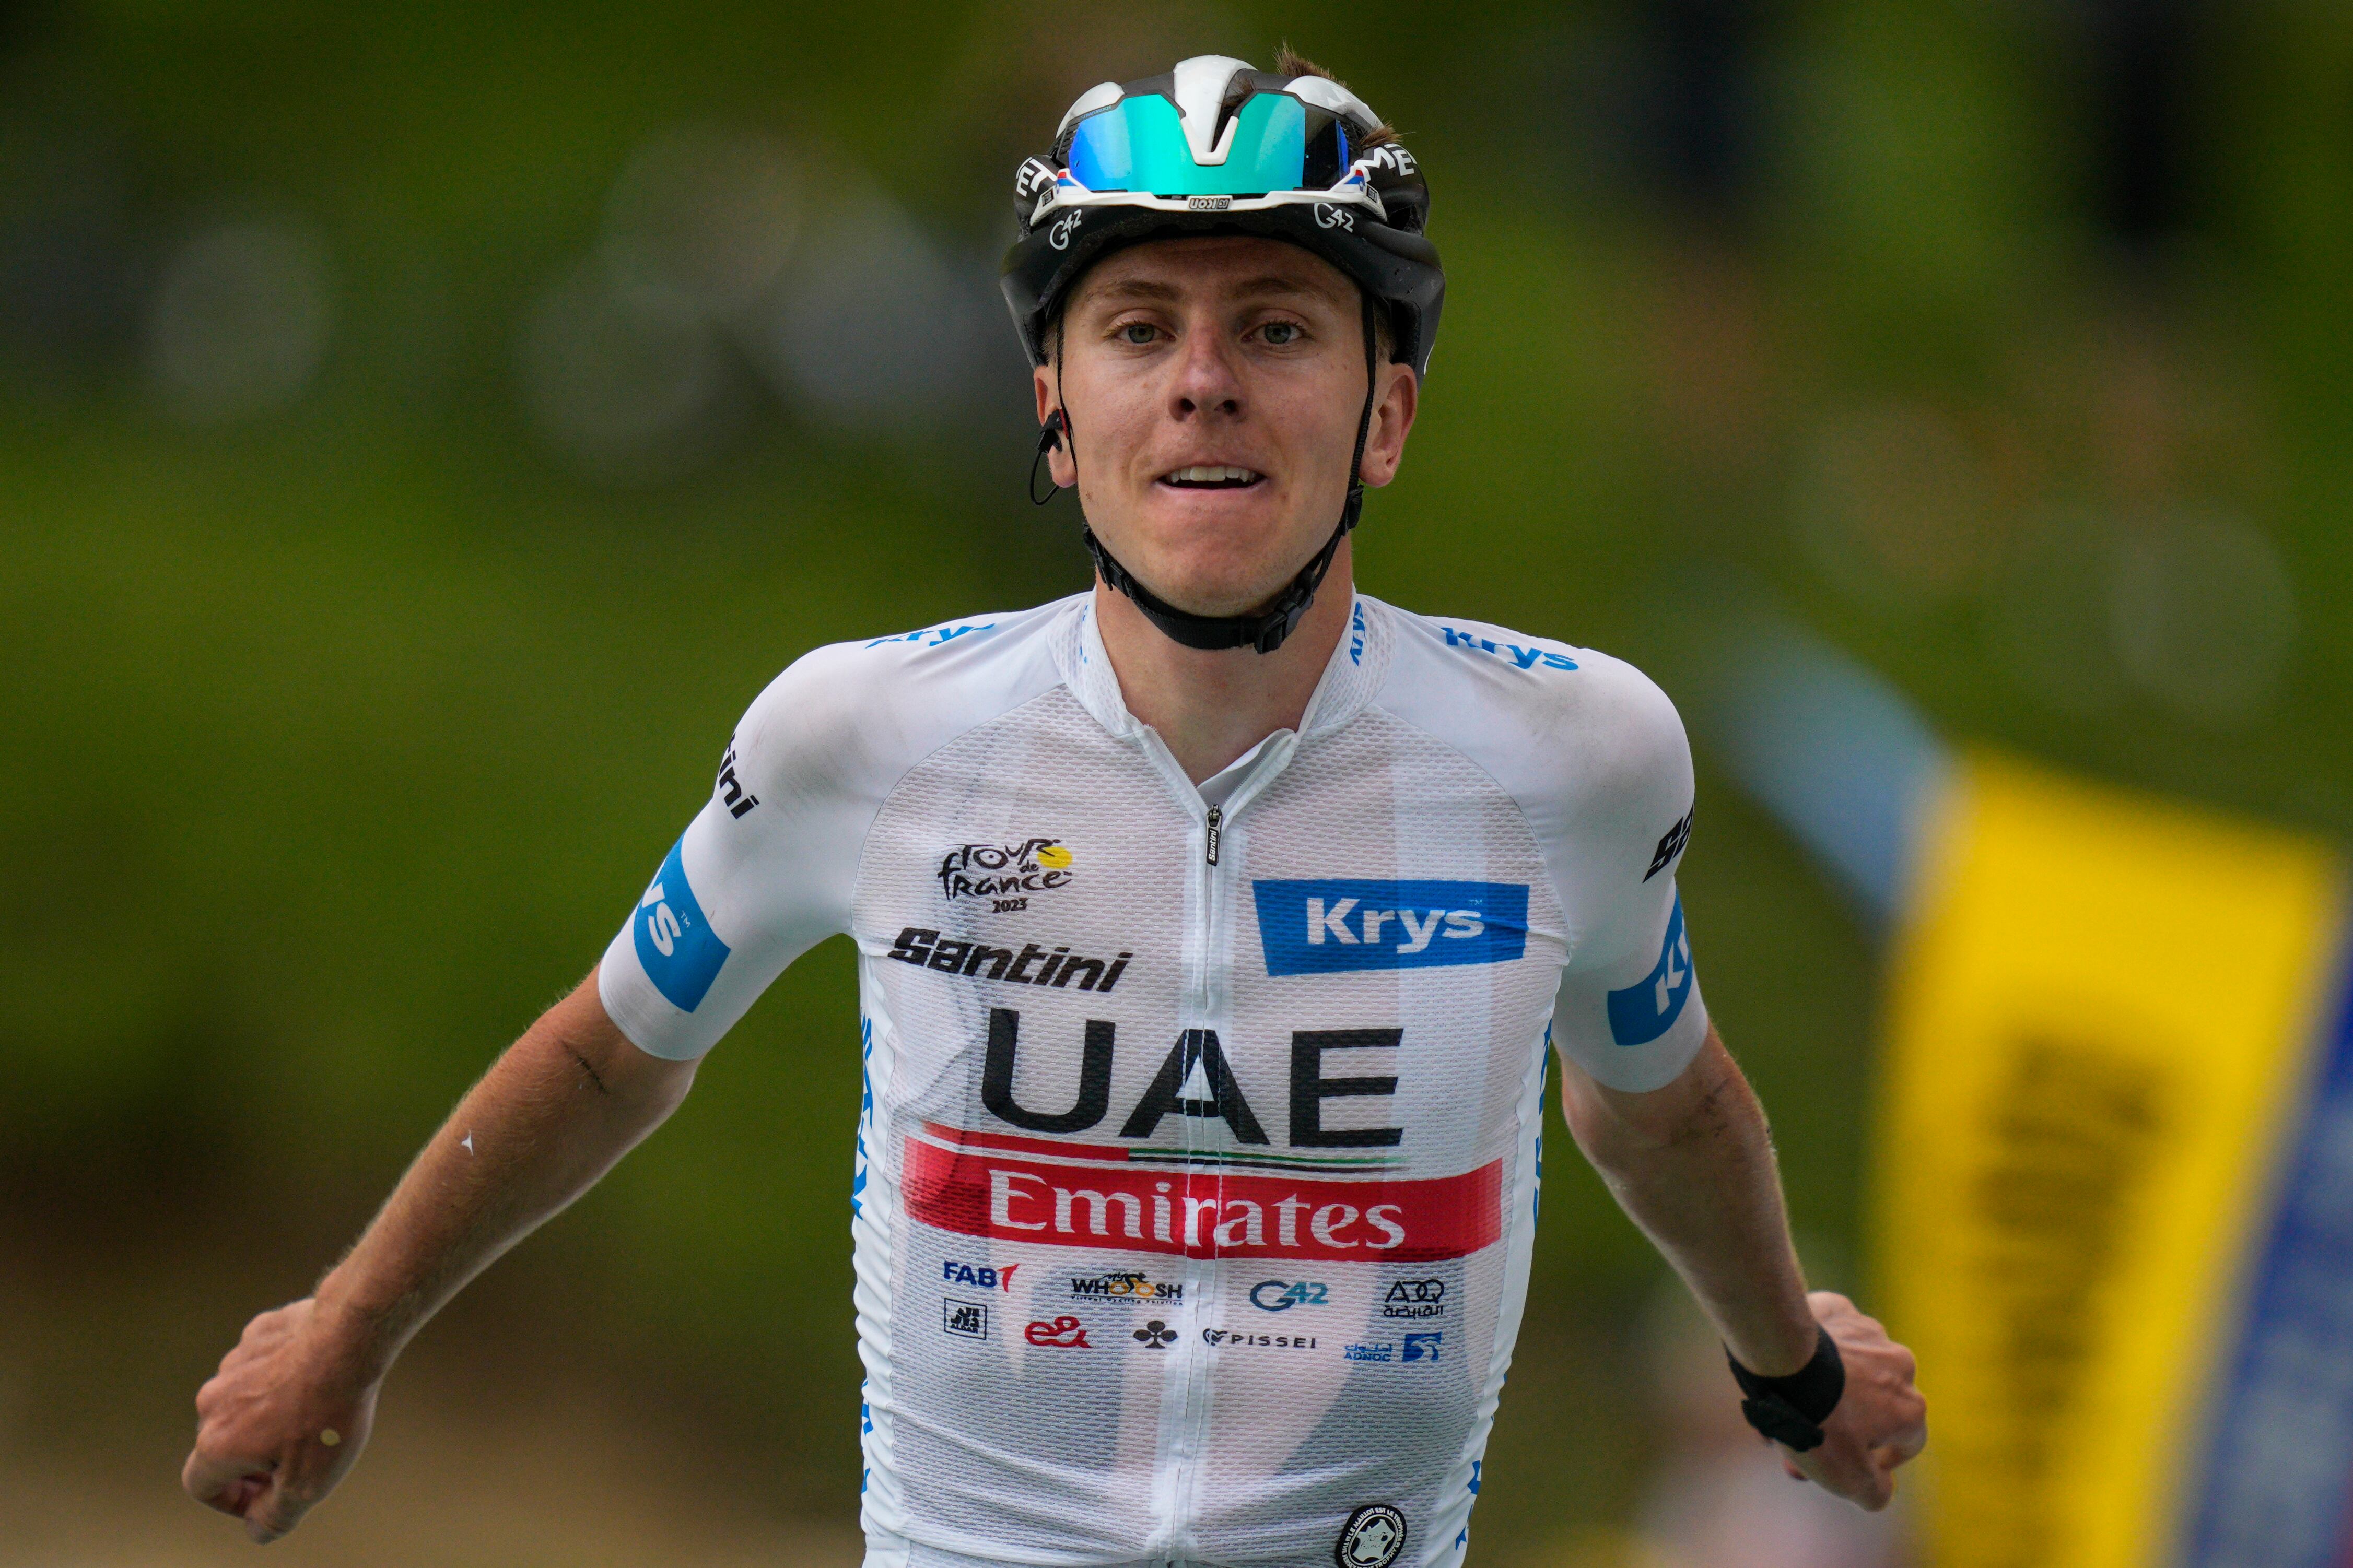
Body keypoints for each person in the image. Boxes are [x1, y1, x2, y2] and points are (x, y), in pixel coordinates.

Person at [183, 50, 1926, 1567]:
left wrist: (1784, 1360)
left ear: (1386, 414)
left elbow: (1657, 1100)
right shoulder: (859, 734)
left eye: (1277, 328)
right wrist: (347, 1330)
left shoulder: (1577, 756)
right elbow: (607, 1054)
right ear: (1054, 414)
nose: (1202, 379)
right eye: (1138, 328)